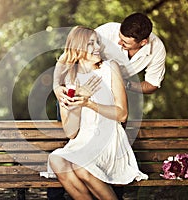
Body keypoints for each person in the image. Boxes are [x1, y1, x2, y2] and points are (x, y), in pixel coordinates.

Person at [40, 26, 148, 200]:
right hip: (82, 142)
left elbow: (122, 115)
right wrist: (74, 104)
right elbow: (71, 132)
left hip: (109, 140)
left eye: (97, 42)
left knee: (81, 165)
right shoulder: (68, 80)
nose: (97, 47)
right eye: (91, 43)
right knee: (56, 160)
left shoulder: (110, 68)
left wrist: (89, 103)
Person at [53, 12, 166, 100]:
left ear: (143, 42)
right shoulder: (107, 32)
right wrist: (56, 86)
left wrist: (124, 84)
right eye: (119, 37)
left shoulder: (157, 49)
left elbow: (152, 85)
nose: (119, 43)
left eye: (125, 42)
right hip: (76, 87)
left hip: (111, 95)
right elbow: (69, 55)